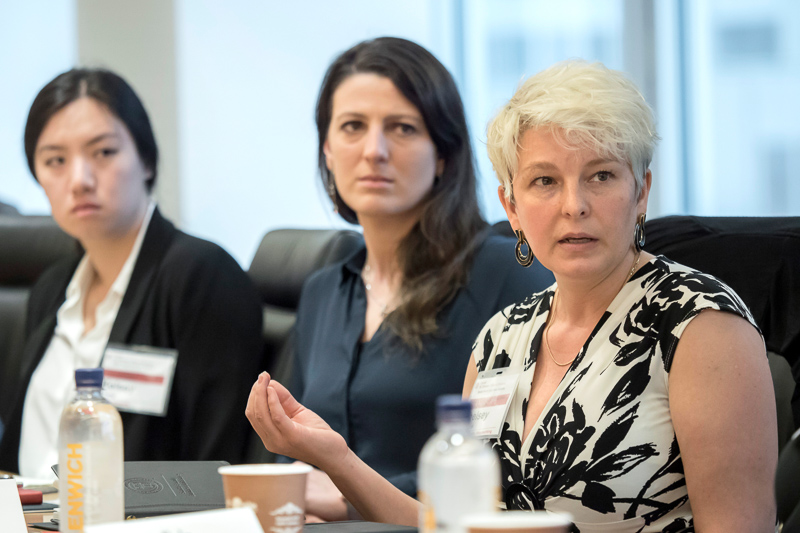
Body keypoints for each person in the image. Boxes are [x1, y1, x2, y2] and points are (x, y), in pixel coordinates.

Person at [247, 60, 778, 532]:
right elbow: (449, 526)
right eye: (545, 181)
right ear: (512, 207)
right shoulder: (502, 336)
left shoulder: (702, 326)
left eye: (601, 176)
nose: (575, 205)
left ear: (641, 192)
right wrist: (337, 459)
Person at [278, 37, 553, 520]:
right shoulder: (323, 290)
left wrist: (345, 494)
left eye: (402, 128)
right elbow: (287, 446)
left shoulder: (507, 274)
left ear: (443, 153)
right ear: (326, 148)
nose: (374, 151)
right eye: (352, 127)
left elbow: (508, 464)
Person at [0, 68, 265, 478]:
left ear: (145, 159)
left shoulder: (200, 277)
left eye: (103, 152)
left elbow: (217, 466)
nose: (79, 180)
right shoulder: (51, 290)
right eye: (55, 160)